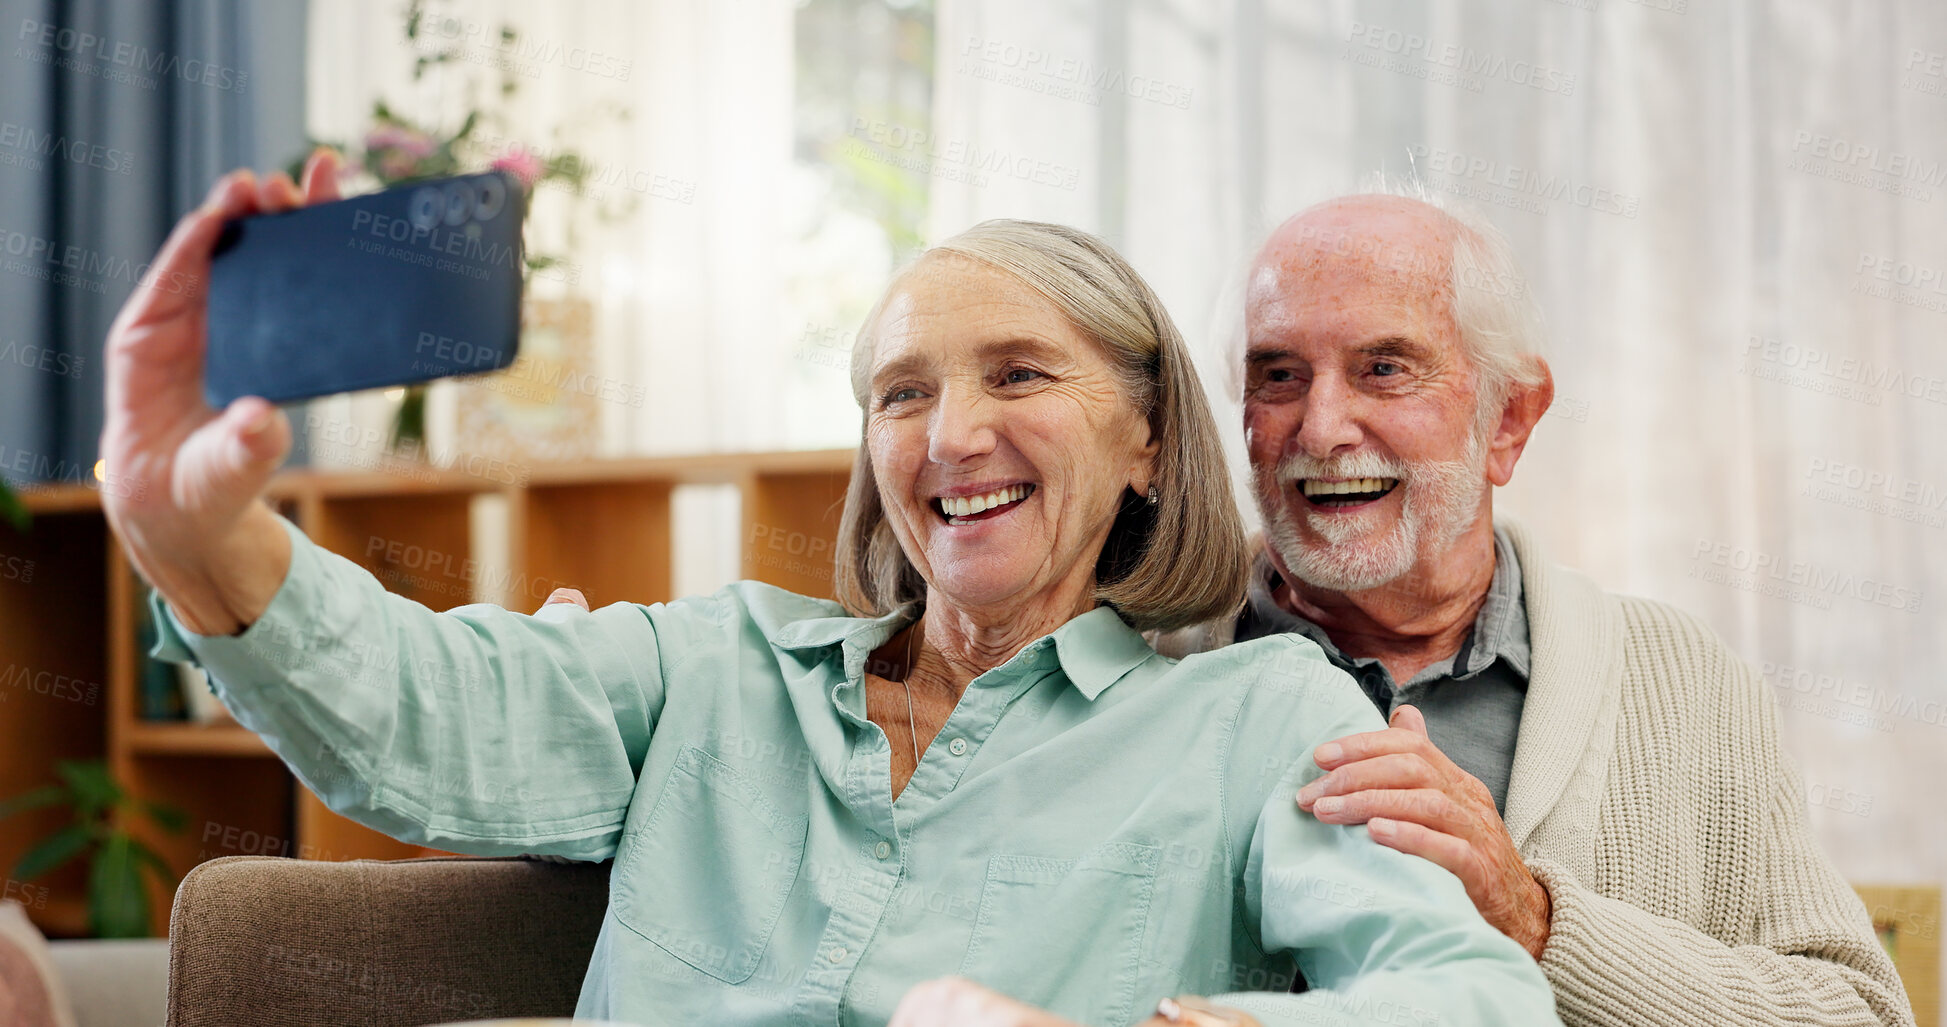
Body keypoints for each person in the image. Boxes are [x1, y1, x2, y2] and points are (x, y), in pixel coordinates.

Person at [101, 152, 1562, 1027]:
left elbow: (1466, 996)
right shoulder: (712, 669)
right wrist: (193, 528)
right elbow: (415, 715)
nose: (951, 435)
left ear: (1146, 440)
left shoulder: (1257, 714)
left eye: (1018, 375)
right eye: (900, 391)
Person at [1157, 190, 1914, 1027]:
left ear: (1507, 420)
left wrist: (1532, 920)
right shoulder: (1145, 660)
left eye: (1383, 367)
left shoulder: (1681, 680)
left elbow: (1860, 1014)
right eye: (1278, 375)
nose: (1322, 426)